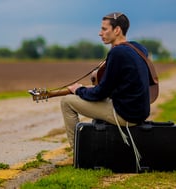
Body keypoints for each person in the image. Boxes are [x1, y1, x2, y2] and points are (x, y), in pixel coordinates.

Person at [60, 12, 151, 150]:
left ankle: (77, 153)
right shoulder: (138, 48)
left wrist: (78, 90)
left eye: (104, 29)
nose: (100, 33)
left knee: (67, 102)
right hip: (139, 112)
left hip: (125, 114)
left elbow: (101, 93)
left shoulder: (117, 53)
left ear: (117, 30)